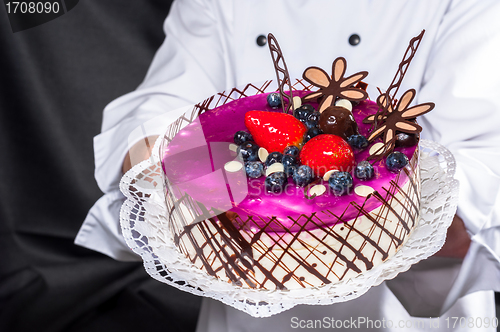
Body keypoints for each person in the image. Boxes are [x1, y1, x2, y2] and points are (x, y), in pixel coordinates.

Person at [76, 1, 500, 331]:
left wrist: (339, 222)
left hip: (403, 318)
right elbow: (161, 113)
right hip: (245, 310)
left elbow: (483, 158)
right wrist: (184, 180)